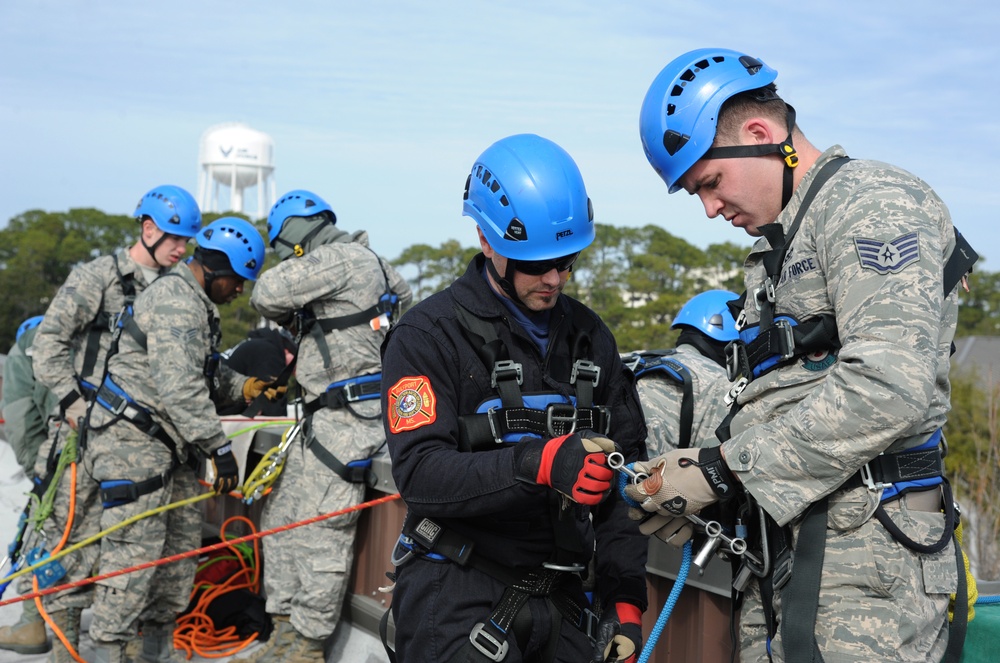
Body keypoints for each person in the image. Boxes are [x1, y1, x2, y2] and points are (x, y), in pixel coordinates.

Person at [630, 48, 974, 662]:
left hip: (869, 565)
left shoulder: (872, 203)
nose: (710, 209)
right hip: (789, 555)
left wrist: (724, 471)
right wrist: (710, 484)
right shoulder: (780, 249)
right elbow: (788, 398)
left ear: (761, 136)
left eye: (710, 183)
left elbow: (887, 386)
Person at [380, 133, 649, 663]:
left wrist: (626, 603)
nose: (554, 279)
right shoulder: (427, 336)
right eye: (534, 263)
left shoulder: (592, 339)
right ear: (486, 239)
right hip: (458, 592)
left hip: (567, 604)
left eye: (567, 260)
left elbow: (627, 476)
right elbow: (421, 475)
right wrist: (539, 462)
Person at [3, 185, 202, 662]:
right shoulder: (98, 277)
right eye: (175, 238)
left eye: (187, 241)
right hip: (80, 438)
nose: (181, 249)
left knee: (138, 554)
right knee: (70, 548)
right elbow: (47, 344)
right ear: (148, 229)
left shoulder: (178, 289)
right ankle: (62, 649)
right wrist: (74, 405)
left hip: (146, 445)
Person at [232, 189, 412, 663]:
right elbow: (407, 301)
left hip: (350, 421)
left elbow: (265, 293)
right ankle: (285, 631)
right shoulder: (369, 261)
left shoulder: (341, 257)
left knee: (321, 532)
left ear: (293, 235)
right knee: (281, 520)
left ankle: (307, 646)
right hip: (325, 417)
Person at [84, 217, 269, 663]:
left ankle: (155, 653)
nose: (241, 291)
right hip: (135, 449)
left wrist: (242, 386)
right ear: (215, 268)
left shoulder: (197, 303)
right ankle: (109, 651)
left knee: (177, 561)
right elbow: (180, 387)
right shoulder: (175, 302)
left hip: (171, 449)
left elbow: (199, 372)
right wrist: (219, 450)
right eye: (238, 281)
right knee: (132, 563)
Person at [0, 315, 59, 656]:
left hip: (59, 458)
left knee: (43, 530)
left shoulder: (27, 348)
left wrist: (39, 470)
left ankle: (31, 622)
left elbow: (21, 420)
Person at [219, 327, 296, 416]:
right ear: (287, 350)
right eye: (298, 360)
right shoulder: (270, 354)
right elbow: (274, 413)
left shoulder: (259, 344)